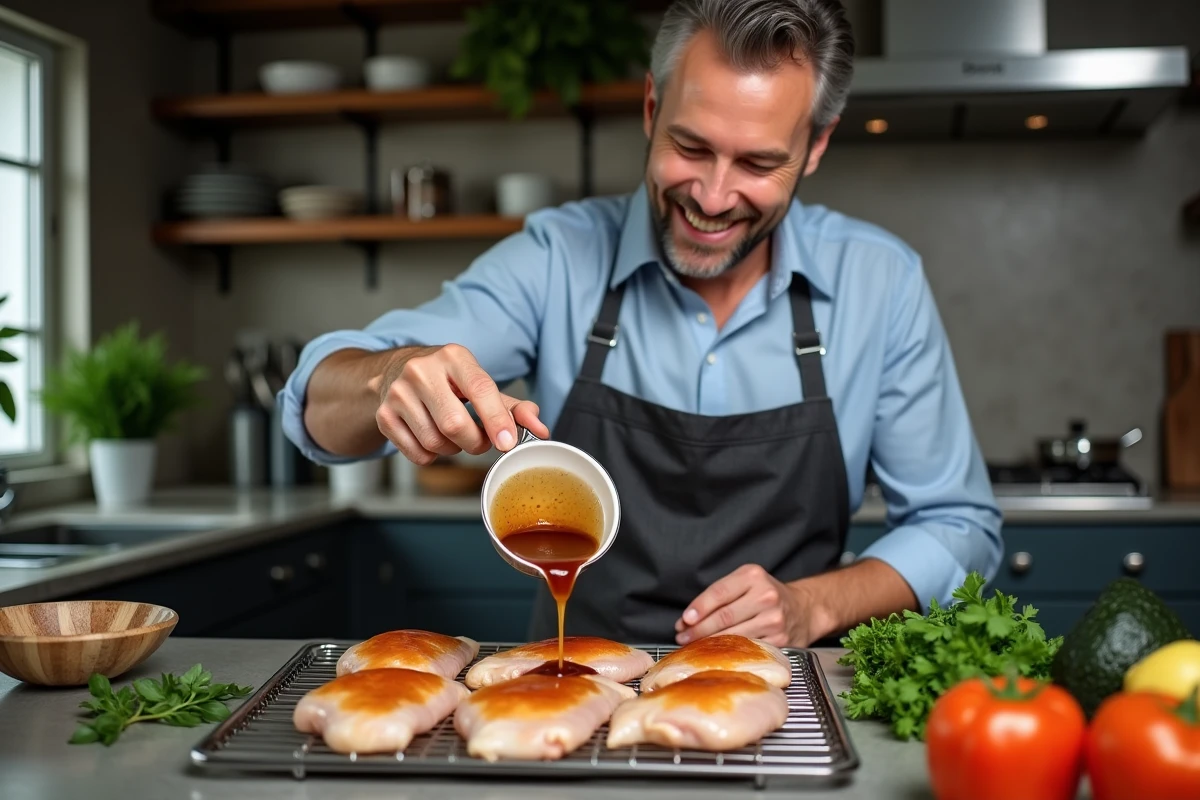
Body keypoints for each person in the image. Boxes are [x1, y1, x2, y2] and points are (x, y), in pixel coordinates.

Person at [280, 0, 1003, 648]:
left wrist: (812, 605)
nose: (713, 197)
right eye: (692, 147)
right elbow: (312, 404)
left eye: (758, 163)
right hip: (577, 695)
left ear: (815, 146)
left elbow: (959, 528)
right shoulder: (558, 258)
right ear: (652, 107)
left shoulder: (881, 281)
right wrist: (385, 378)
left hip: (787, 698)